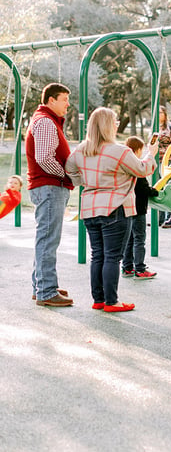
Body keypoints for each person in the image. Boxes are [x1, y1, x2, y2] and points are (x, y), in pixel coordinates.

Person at [65, 107, 158, 312]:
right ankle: (111, 301)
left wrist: (84, 181)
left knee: (97, 255)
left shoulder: (81, 150)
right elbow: (143, 170)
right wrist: (151, 154)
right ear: (108, 125)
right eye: (115, 121)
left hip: (90, 207)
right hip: (115, 207)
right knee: (113, 257)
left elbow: (69, 168)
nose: (117, 124)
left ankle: (99, 299)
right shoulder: (120, 151)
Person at [25, 83, 74, 307]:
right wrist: (64, 176)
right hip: (50, 186)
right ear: (51, 100)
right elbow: (44, 158)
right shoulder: (45, 121)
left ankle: (42, 285)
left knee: (45, 239)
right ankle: (46, 291)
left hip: (49, 187)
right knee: (48, 239)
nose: (67, 104)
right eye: (64, 99)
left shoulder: (46, 120)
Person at [121, 136, 158, 280]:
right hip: (139, 210)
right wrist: (154, 191)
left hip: (128, 209)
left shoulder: (125, 165)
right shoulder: (137, 167)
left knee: (130, 238)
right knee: (139, 239)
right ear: (137, 150)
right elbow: (143, 189)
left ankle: (127, 266)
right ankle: (140, 268)